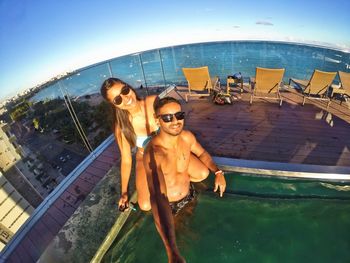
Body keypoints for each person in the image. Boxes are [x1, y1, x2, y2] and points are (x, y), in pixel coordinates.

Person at [100, 78, 210, 212]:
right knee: (145, 205)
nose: (126, 97)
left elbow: (173, 120)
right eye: (117, 99)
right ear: (114, 105)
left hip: (169, 149)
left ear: (129, 87)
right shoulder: (121, 127)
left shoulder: (153, 102)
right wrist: (124, 192)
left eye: (125, 90)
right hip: (146, 158)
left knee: (202, 174)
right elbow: (126, 160)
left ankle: (174, 181)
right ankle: (171, 182)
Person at [143, 96, 226, 262]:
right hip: (170, 207)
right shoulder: (155, 153)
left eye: (179, 115)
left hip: (189, 195)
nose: (175, 121)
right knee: (184, 241)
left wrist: (218, 172)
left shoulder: (186, 137)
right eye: (167, 117)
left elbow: (202, 153)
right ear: (157, 120)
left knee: (193, 227)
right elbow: (159, 198)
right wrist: (171, 252)